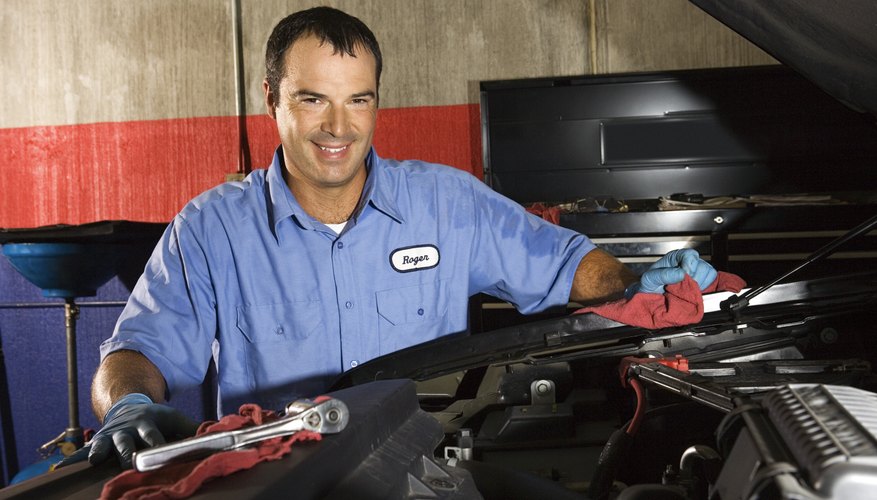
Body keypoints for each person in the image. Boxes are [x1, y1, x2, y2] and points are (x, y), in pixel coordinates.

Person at [60, 6, 716, 469]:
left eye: (359, 99)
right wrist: (127, 406)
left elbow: (569, 268)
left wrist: (638, 280)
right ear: (271, 99)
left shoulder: (446, 202)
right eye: (313, 99)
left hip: (422, 474)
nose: (337, 126)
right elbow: (133, 354)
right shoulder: (209, 229)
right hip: (278, 480)